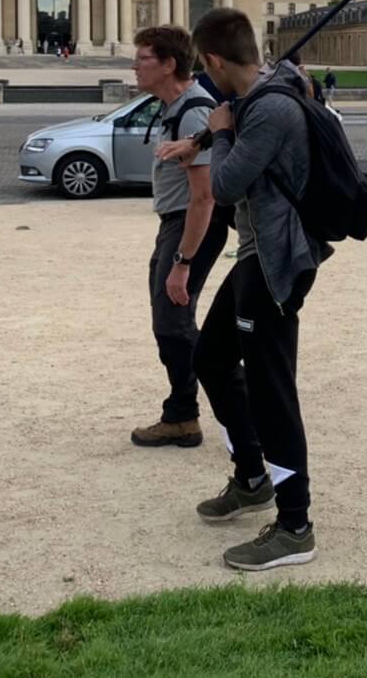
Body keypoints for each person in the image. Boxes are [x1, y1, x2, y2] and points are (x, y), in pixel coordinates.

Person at [157, 8, 327, 571]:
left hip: (279, 261)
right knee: (210, 355)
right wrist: (203, 139)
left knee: (272, 387)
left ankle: (295, 525)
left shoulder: (273, 106)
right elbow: (232, 123)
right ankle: (252, 476)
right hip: (257, 255)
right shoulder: (266, 93)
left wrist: (220, 137)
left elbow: (227, 186)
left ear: (211, 62)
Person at [129, 25, 232, 452]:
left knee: (173, 323)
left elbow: (204, 198)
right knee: (171, 323)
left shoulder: (192, 112)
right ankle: (184, 414)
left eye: (142, 59)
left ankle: (219, 408)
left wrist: (183, 262)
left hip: (190, 227)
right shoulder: (175, 107)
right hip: (176, 224)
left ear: (169, 64)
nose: (134, 67)